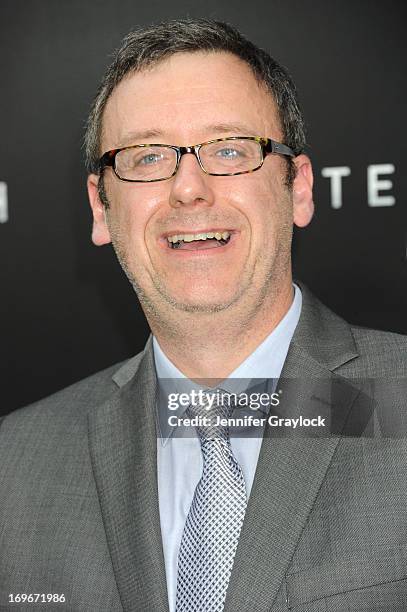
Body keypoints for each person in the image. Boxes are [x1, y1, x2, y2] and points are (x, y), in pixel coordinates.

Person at [0, 18, 406, 612]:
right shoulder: (16, 465)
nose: (189, 189)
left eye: (231, 150)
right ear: (100, 207)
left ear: (297, 189)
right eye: (146, 157)